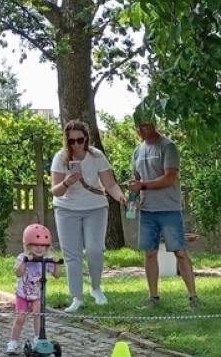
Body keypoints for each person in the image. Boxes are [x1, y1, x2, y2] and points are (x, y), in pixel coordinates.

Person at [48, 120, 123, 311]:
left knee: (94, 249)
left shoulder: (96, 156)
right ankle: (77, 297)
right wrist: (66, 182)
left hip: (95, 207)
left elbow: (110, 184)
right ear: (66, 141)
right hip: (66, 209)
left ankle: (96, 288)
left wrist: (121, 198)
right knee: (72, 254)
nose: (76, 144)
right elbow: (55, 191)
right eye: (71, 141)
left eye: (80, 140)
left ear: (86, 139)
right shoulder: (60, 158)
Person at [129, 109, 199, 308]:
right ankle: (153, 297)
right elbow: (137, 181)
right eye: (138, 127)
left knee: (179, 252)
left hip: (169, 209)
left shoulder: (168, 147)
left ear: (153, 125)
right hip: (147, 210)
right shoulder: (137, 151)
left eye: (144, 125)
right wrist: (133, 197)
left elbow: (169, 178)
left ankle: (193, 297)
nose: (141, 130)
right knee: (149, 253)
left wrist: (142, 186)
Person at [8, 223, 61, 355]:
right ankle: (13, 343)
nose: (39, 249)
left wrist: (55, 264)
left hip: (37, 295)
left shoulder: (45, 260)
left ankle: (38, 340)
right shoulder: (23, 258)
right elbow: (18, 273)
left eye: (43, 246)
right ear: (27, 245)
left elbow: (57, 276)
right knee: (20, 318)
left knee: (38, 315)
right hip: (23, 295)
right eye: (36, 245)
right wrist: (25, 262)